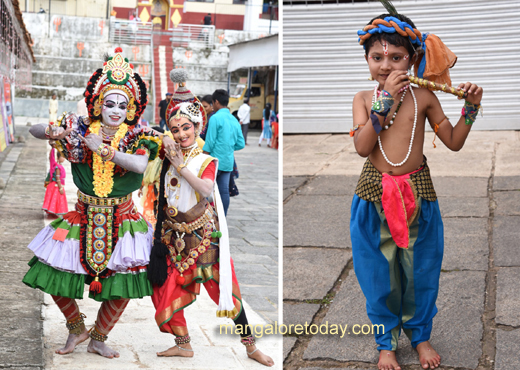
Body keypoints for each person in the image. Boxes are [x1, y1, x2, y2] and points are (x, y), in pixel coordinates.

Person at [350, 3, 483, 370]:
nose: (385, 65)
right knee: (378, 274)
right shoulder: (364, 99)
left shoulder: (424, 97)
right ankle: (385, 342)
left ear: (412, 60)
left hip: (418, 196)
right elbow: (362, 147)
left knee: (421, 271)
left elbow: (454, 141)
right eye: (376, 56)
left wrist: (470, 108)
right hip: (372, 198)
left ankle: (420, 336)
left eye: (396, 57)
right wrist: (384, 102)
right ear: (367, 60)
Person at [22, 47, 175, 359]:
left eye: (122, 104)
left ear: (131, 107)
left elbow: (139, 165)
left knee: (127, 283)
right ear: (97, 104)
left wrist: (106, 151)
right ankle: (77, 328)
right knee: (51, 272)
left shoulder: (137, 133)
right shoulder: (78, 125)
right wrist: (54, 131)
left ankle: (99, 337)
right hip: (80, 215)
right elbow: (35, 130)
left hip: (124, 219)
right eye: (109, 103)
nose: (116, 109)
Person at [148, 97, 273, 367]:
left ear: (197, 127)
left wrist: (181, 166)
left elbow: (205, 189)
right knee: (161, 288)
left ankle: (250, 347)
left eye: (186, 128)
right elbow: (140, 132)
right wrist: (162, 138)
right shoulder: (167, 154)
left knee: (225, 292)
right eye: (176, 129)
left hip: (203, 239)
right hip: (172, 237)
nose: (181, 134)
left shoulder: (207, 159)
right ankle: (183, 344)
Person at [202, 89, 245, 216]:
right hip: (227, 161)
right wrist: (228, 148)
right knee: (224, 192)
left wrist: (202, 158)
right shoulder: (234, 120)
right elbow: (241, 143)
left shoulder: (215, 118)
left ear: (215, 102)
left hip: (213, 161)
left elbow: (209, 142)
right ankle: (222, 219)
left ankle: (208, 218)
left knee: (206, 191)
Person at [43, 148, 68, 216]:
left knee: (56, 199)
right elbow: (58, 178)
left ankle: (54, 211)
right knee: (56, 199)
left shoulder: (58, 166)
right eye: (62, 157)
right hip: (56, 185)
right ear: (58, 157)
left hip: (56, 185)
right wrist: (60, 188)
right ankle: (54, 211)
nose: (63, 158)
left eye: (64, 157)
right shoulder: (58, 167)